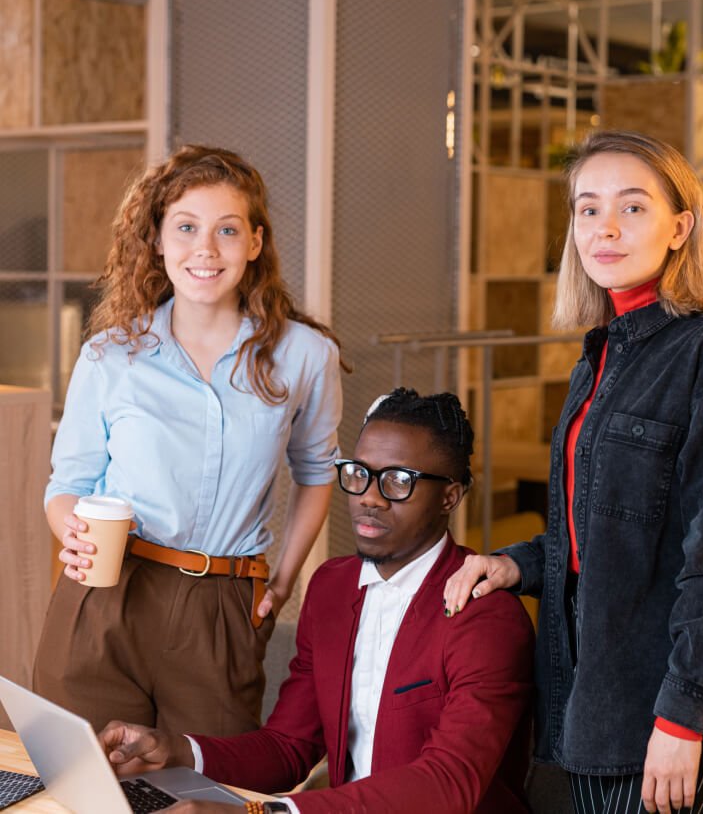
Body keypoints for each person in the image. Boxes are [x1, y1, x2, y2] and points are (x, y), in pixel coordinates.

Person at [444, 131, 703, 814]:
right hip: (590, 686)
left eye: (632, 207)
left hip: (665, 698)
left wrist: (683, 717)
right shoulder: (599, 356)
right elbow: (604, 529)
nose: (605, 228)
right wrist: (517, 564)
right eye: (588, 208)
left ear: (680, 228)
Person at [99, 388, 536, 813]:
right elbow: (289, 747)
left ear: (449, 497)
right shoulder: (332, 587)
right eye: (359, 473)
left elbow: (448, 785)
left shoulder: (487, 616)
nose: (369, 497)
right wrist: (174, 751)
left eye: (398, 481)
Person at [33, 145, 344, 737]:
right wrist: (71, 532)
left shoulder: (305, 355)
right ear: (156, 239)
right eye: (185, 227)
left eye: (227, 229)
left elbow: (316, 471)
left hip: (222, 604)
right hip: (107, 592)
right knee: (85, 778)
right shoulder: (109, 355)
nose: (206, 249)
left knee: (208, 782)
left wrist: (284, 579)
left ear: (254, 243)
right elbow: (67, 484)